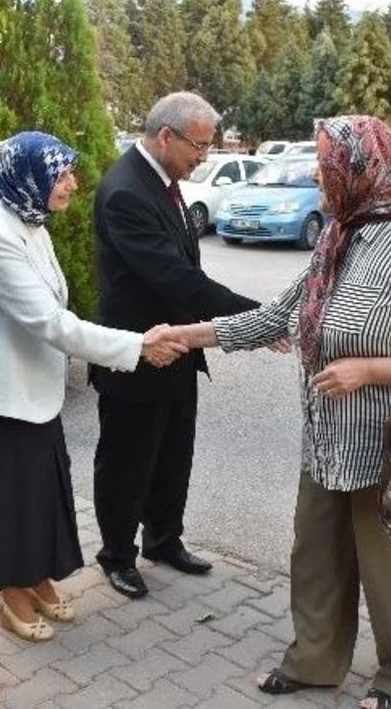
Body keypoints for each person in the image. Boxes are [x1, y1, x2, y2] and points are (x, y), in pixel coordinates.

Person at [165, 115, 391, 709]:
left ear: (362, 168)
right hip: (326, 442)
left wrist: (371, 370)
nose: (318, 172)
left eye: (326, 161)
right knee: (314, 557)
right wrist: (186, 335)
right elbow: (273, 317)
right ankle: (315, 662)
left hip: (387, 446)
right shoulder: (339, 237)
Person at [0, 132, 187, 640]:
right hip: (3, 396)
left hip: (34, 391)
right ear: (29, 177)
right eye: (61, 175)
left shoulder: (29, 223)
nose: (72, 184)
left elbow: (57, 313)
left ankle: (35, 575)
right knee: (9, 499)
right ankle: (10, 592)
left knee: (38, 493)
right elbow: (51, 324)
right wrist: (137, 346)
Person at [89, 92, 260, 600]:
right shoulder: (126, 192)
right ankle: (117, 555)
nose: (204, 157)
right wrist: (257, 318)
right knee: (126, 465)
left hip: (179, 354)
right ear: (166, 135)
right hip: (137, 359)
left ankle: (163, 540)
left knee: (172, 457)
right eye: (199, 146)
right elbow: (178, 280)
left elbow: (187, 273)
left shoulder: (165, 183)